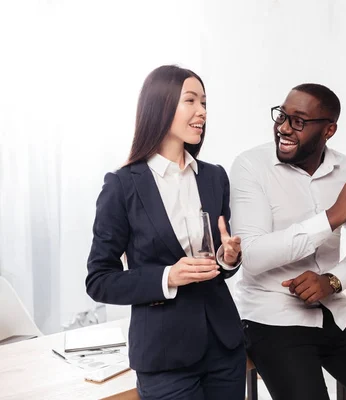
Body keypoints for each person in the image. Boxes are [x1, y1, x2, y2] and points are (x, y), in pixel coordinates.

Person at [229, 83, 346, 400]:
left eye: (298, 121)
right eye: (282, 116)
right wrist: (332, 216)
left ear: (329, 130)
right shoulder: (251, 166)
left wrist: (332, 280)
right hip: (272, 320)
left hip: (335, 312)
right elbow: (253, 255)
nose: (284, 128)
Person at [86, 65, 245, 400]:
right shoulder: (123, 185)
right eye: (191, 100)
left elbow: (218, 263)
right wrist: (167, 277)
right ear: (161, 106)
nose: (202, 111)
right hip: (165, 357)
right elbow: (99, 279)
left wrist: (228, 258)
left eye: (204, 102)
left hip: (223, 347)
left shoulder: (215, 177)